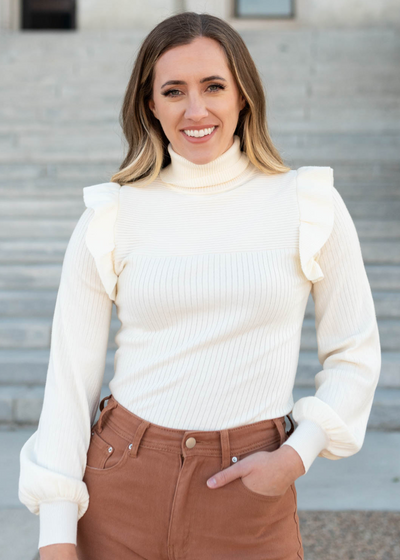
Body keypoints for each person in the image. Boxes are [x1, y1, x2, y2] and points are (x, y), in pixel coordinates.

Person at [18, 11, 381, 560]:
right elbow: (69, 383)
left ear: (243, 95)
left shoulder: (310, 204)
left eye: (214, 86)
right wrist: (56, 538)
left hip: (249, 491)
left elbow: (355, 353)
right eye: (173, 91)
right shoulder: (111, 214)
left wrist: (296, 455)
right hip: (120, 483)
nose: (196, 109)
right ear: (150, 105)